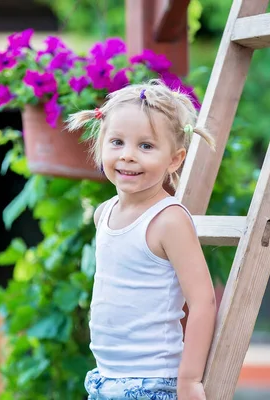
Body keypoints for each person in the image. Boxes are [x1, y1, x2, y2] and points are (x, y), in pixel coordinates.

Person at [66, 80, 217, 400]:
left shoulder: (168, 220)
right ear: (100, 145)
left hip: (150, 382)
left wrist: (189, 380)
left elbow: (203, 300)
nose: (128, 156)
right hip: (105, 378)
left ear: (174, 159)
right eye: (117, 142)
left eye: (146, 146)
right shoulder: (103, 214)